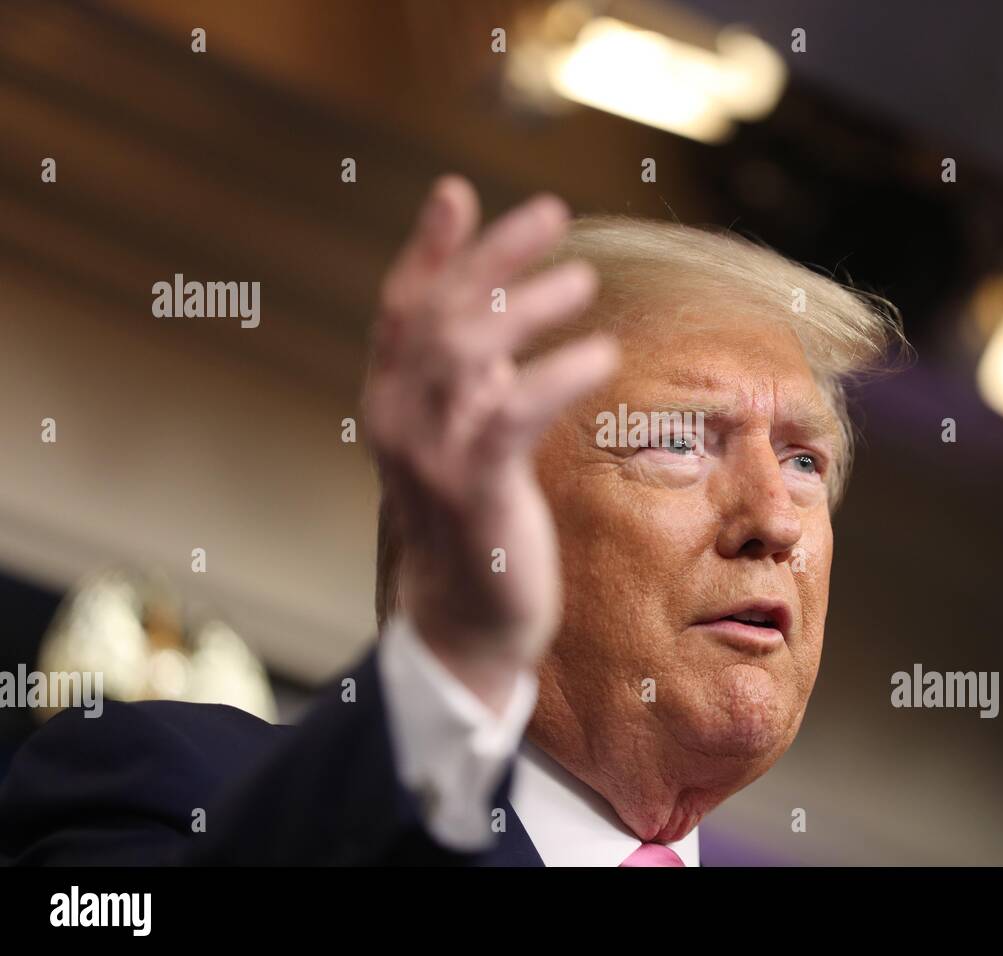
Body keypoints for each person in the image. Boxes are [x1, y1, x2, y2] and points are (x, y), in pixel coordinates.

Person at [0, 175, 898, 866]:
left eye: (803, 460)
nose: (774, 519)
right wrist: (452, 676)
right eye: (676, 443)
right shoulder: (177, 787)